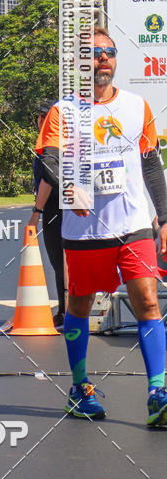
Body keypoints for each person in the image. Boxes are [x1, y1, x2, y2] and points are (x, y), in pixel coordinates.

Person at [36, 26, 167, 426]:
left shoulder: (137, 107)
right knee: (79, 306)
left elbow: (150, 164)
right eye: (94, 53)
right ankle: (80, 388)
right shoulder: (64, 111)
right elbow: (49, 160)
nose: (103, 59)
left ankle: (158, 393)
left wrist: (165, 218)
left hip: (133, 224)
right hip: (85, 231)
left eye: (108, 52)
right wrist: (70, 187)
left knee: (147, 299)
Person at [29, 100, 65, 330]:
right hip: (64, 206)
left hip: (54, 208)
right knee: (64, 263)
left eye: (43, 117)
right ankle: (66, 310)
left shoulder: (49, 144)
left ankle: (66, 312)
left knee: (60, 262)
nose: (41, 121)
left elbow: (47, 181)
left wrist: (36, 212)